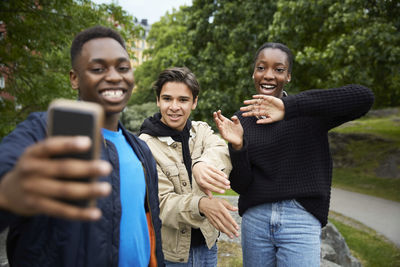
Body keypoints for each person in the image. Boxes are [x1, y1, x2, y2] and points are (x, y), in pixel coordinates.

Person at [0, 26, 164, 267]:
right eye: (98, 69)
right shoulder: (42, 134)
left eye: (123, 68)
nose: (114, 76)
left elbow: (148, 226)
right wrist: (6, 195)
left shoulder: (141, 149)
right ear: (74, 78)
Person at [211, 42, 374, 266]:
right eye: (261, 67)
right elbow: (241, 184)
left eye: (278, 70)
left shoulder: (308, 112)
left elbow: (364, 97)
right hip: (256, 219)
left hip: (301, 218)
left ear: (288, 76)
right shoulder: (243, 118)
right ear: (253, 73)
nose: (268, 75)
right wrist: (238, 147)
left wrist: (289, 107)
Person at [139, 67, 239, 266]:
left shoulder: (200, 130)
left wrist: (202, 164)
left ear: (194, 102)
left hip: (208, 247)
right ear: (158, 100)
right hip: (172, 255)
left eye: (183, 100)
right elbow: (161, 203)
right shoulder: (145, 145)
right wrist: (201, 205)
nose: (174, 107)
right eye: (167, 99)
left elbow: (220, 149)